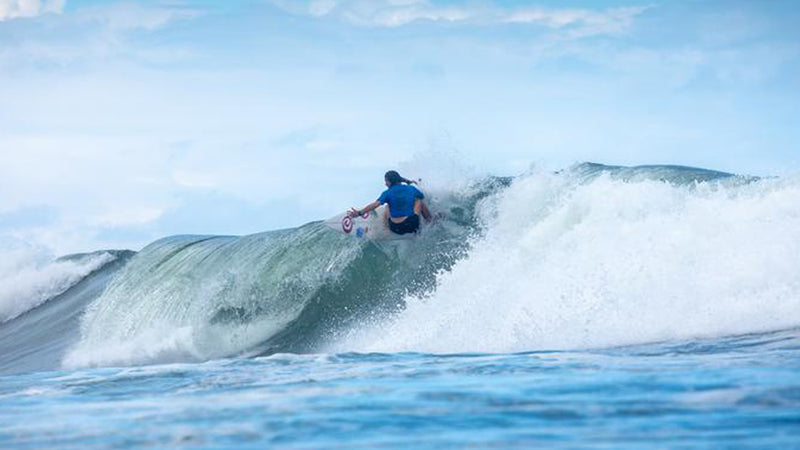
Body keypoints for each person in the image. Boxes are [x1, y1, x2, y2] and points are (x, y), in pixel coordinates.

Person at [349, 170, 432, 235]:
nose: (385, 184)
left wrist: (359, 213)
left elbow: (375, 205)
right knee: (418, 201)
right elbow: (422, 196)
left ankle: (386, 229)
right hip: (412, 225)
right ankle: (430, 221)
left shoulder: (387, 193)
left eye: (386, 181)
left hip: (395, 228)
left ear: (389, 182)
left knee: (387, 206)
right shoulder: (411, 188)